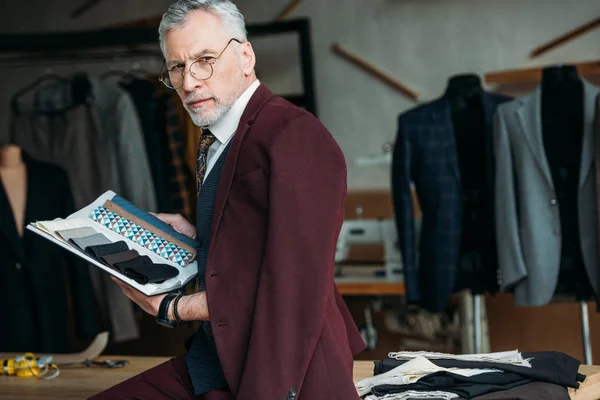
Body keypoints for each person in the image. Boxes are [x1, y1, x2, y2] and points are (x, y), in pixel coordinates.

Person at [91, 0, 365, 399]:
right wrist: (196, 235)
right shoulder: (217, 137)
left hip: (282, 372)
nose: (188, 82)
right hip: (217, 362)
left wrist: (174, 308)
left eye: (204, 59)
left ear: (245, 56)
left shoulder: (295, 134)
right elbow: (252, 237)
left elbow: (292, 281)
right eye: (177, 67)